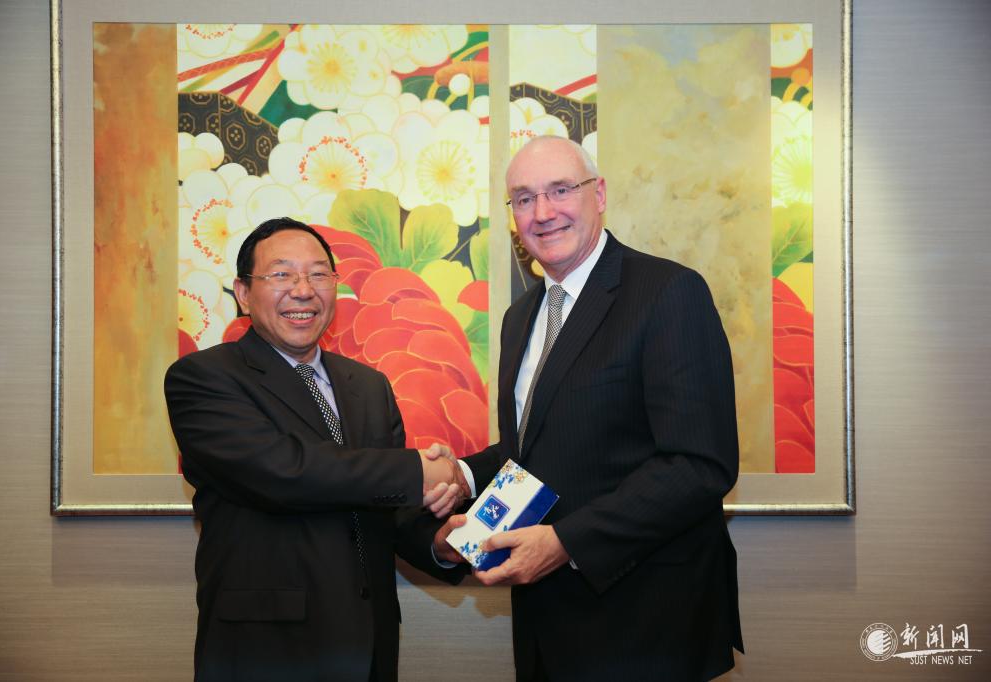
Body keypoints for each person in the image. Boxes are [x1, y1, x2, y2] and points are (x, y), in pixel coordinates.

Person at [437, 136, 744, 681]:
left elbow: (699, 464)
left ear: (598, 194)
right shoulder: (520, 316)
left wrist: (566, 542)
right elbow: (537, 448)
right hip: (546, 619)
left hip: (645, 619)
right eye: (524, 198)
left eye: (560, 190)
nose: (542, 212)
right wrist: (461, 476)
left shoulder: (668, 292)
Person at [165, 217, 465, 682]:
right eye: (281, 274)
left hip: (368, 645)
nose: (303, 290)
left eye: (319, 274)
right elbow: (283, 472)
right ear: (244, 293)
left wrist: (438, 544)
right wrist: (418, 472)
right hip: (265, 648)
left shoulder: (369, 386)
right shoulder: (204, 378)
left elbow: (384, 509)